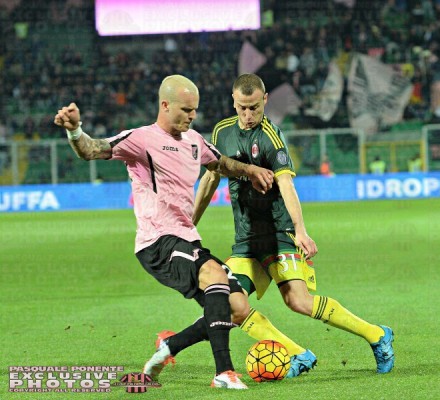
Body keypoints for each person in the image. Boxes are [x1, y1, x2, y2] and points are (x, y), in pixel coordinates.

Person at [53, 74, 276, 390]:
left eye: (195, 110)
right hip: (157, 241)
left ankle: (170, 347)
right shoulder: (141, 139)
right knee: (213, 274)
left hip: (186, 239)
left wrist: (250, 170)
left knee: (237, 307)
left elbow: (221, 163)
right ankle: (224, 372)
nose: (192, 115)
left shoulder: (194, 141)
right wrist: (75, 130)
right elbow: (92, 149)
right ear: (165, 105)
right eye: (186, 109)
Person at [194, 73, 395, 374]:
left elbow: (286, 184)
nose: (248, 115)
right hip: (246, 238)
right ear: (233, 102)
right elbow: (210, 177)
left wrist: (300, 231)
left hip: (279, 233)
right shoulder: (221, 132)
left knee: (298, 301)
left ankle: (377, 335)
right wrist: (189, 223)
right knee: (229, 303)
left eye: (254, 108)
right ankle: (297, 354)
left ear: (265, 101)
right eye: (242, 108)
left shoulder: (271, 138)